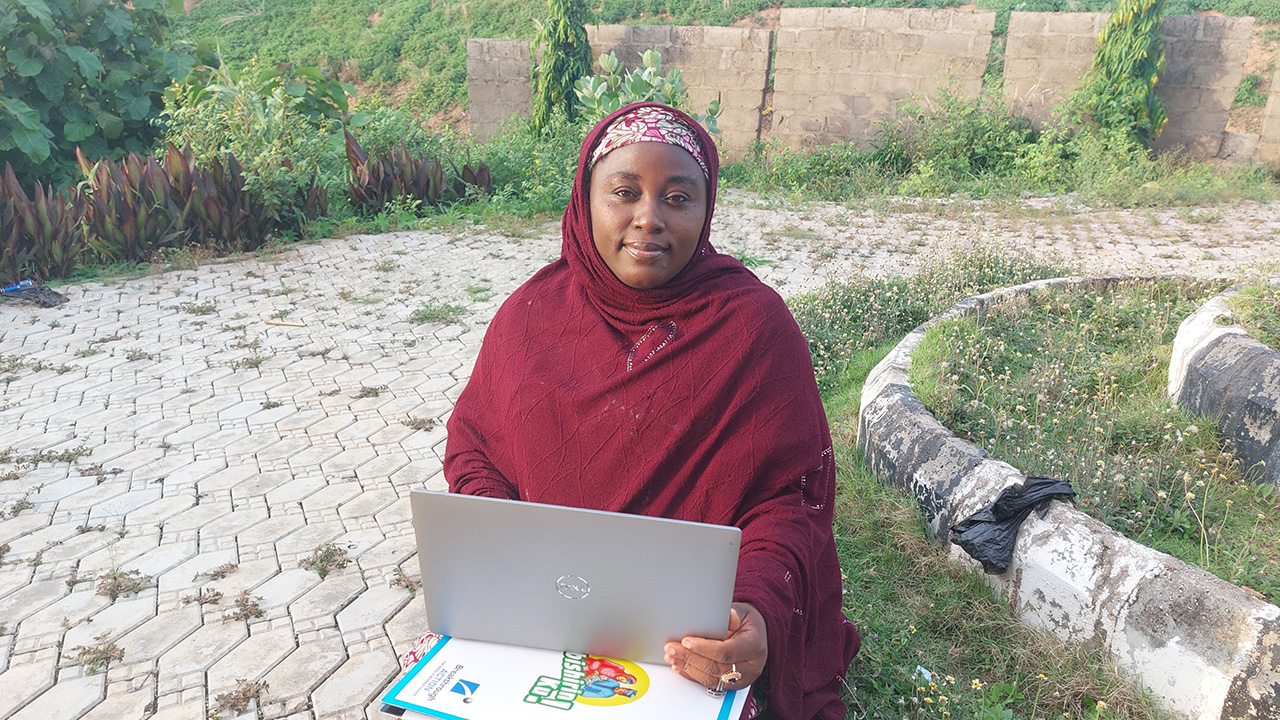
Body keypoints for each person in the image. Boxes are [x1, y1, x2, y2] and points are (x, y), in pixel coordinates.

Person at [401, 102, 860, 719]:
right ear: (585, 199)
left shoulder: (753, 327)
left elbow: (788, 500)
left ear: (707, 206)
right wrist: (507, 558)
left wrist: (753, 611)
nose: (649, 219)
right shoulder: (530, 316)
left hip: (681, 643)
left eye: (677, 197)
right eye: (624, 192)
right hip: (535, 613)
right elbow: (476, 451)